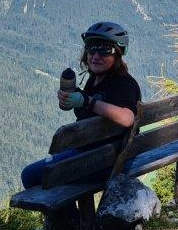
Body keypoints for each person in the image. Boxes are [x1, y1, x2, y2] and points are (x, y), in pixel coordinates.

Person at [20, 21, 142, 189]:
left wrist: (87, 101)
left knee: (29, 175)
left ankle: (69, 217)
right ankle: (70, 216)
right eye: (92, 48)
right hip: (99, 157)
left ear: (118, 54)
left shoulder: (123, 84)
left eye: (105, 50)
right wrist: (76, 97)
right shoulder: (96, 79)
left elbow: (128, 118)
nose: (96, 56)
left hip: (104, 163)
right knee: (52, 165)